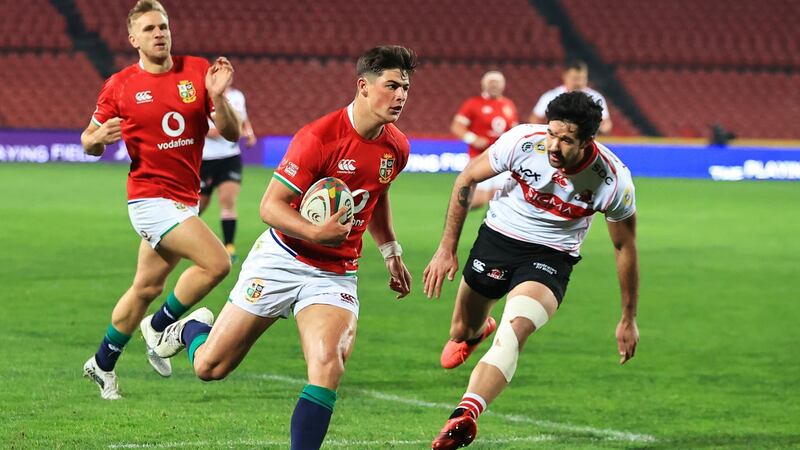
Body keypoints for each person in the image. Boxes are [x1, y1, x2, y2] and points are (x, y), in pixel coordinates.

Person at [152, 45, 416, 450]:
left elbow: (375, 195)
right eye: (392, 86)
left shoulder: (396, 147)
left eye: (406, 88)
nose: (400, 96)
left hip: (335, 273)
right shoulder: (319, 138)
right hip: (281, 259)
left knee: (328, 365)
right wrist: (314, 233)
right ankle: (190, 328)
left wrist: (391, 251)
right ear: (363, 86)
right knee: (209, 367)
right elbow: (269, 206)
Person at [424, 91, 639, 449]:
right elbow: (466, 179)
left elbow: (624, 247)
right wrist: (446, 248)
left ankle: (465, 413)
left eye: (566, 140)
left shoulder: (612, 180)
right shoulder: (523, 141)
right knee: (461, 329)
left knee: (514, 330)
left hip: (552, 255)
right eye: (552, 133)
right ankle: (476, 331)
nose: (554, 145)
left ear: (588, 141)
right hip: (499, 239)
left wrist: (627, 317)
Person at [80, 0, 241, 400]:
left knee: (145, 287)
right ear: (133, 38)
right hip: (149, 199)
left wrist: (218, 98)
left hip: (183, 199)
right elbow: (88, 140)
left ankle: (102, 363)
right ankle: (160, 326)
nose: (159, 34)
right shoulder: (120, 85)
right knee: (217, 262)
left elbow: (232, 133)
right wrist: (95, 141)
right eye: (150, 28)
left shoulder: (197, 71)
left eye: (164, 26)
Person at [199, 84, 257, 262]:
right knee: (198, 206)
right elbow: (199, 127)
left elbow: (242, 119)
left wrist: (250, 132)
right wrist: (222, 130)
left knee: (228, 202)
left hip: (230, 158)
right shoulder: (202, 96)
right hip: (205, 160)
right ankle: (180, 239)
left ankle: (229, 247)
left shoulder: (237, 96)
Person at [451, 71, 518, 208]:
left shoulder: (508, 104)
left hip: (502, 158)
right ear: (483, 84)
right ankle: (455, 210)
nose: (494, 85)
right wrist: (473, 139)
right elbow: (457, 126)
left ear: (503, 85)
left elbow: (513, 129)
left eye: (497, 82)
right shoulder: (473, 103)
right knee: (478, 201)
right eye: (491, 82)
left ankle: (492, 225)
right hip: (480, 157)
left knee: (501, 200)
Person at [529, 60, 613, 135]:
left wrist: (596, 130)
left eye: (582, 78)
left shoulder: (596, 97)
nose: (579, 83)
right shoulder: (551, 96)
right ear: (565, 76)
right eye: (575, 79)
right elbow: (535, 119)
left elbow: (606, 123)